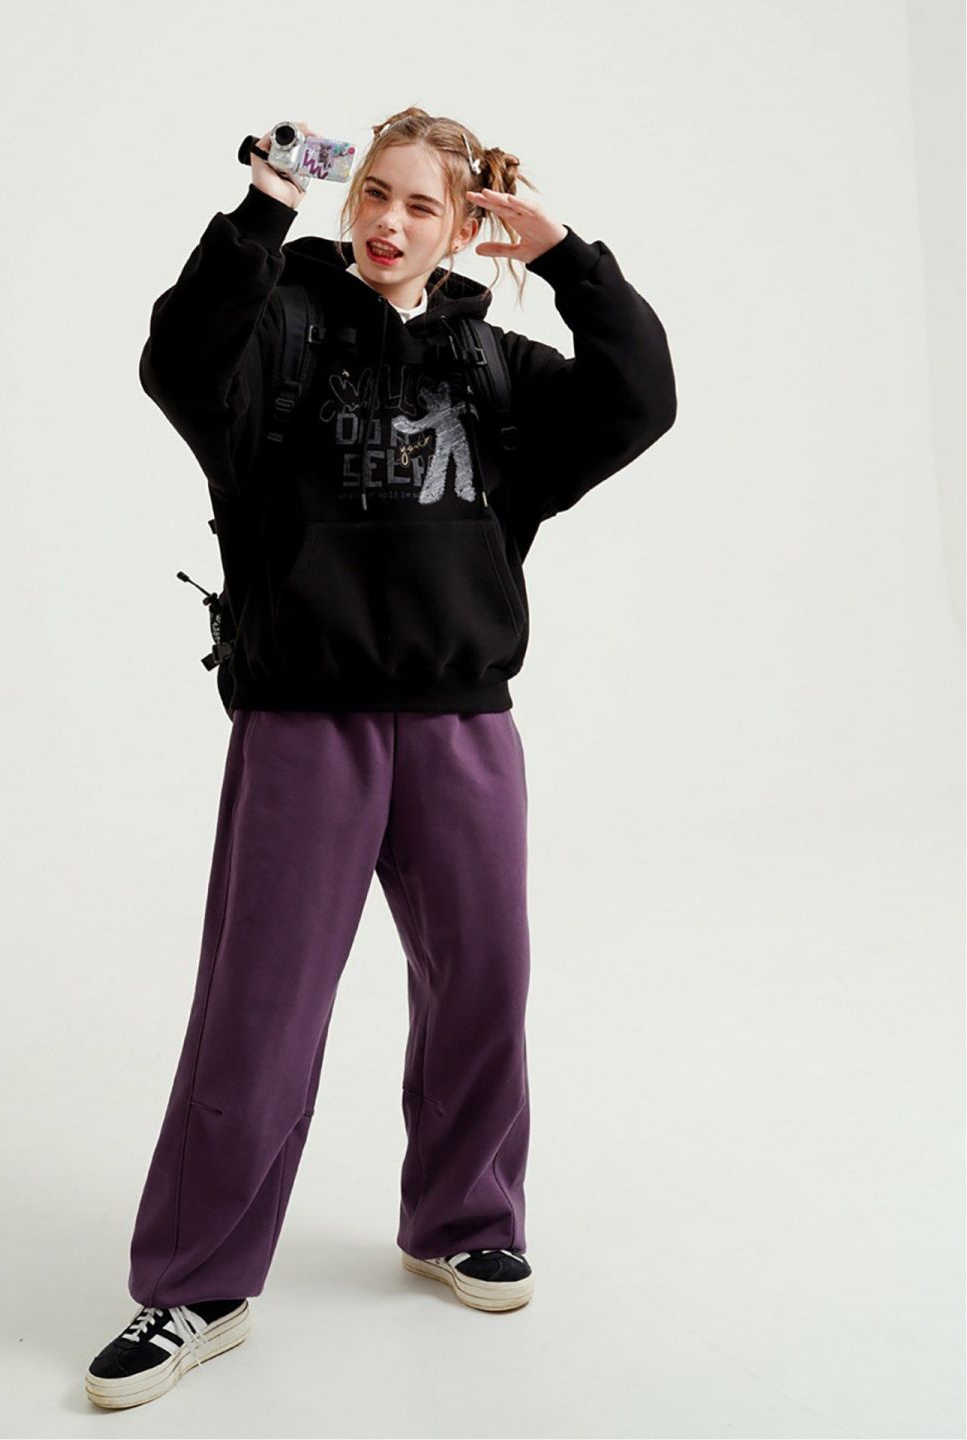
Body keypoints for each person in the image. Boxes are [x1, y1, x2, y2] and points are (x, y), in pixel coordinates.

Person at [85, 106, 677, 1410]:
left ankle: (463, 1218)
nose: (391, 223)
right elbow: (178, 361)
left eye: (421, 205)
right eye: (375, 196)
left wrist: (566, 257)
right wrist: (263, 211)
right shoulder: (284, 334)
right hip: (306, 723)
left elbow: (641, 396)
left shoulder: (500, 369)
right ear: (348, 204)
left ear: (461, 227)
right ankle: (195, 1282)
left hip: (464, 720)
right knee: (259, 1009)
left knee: (484, 985)